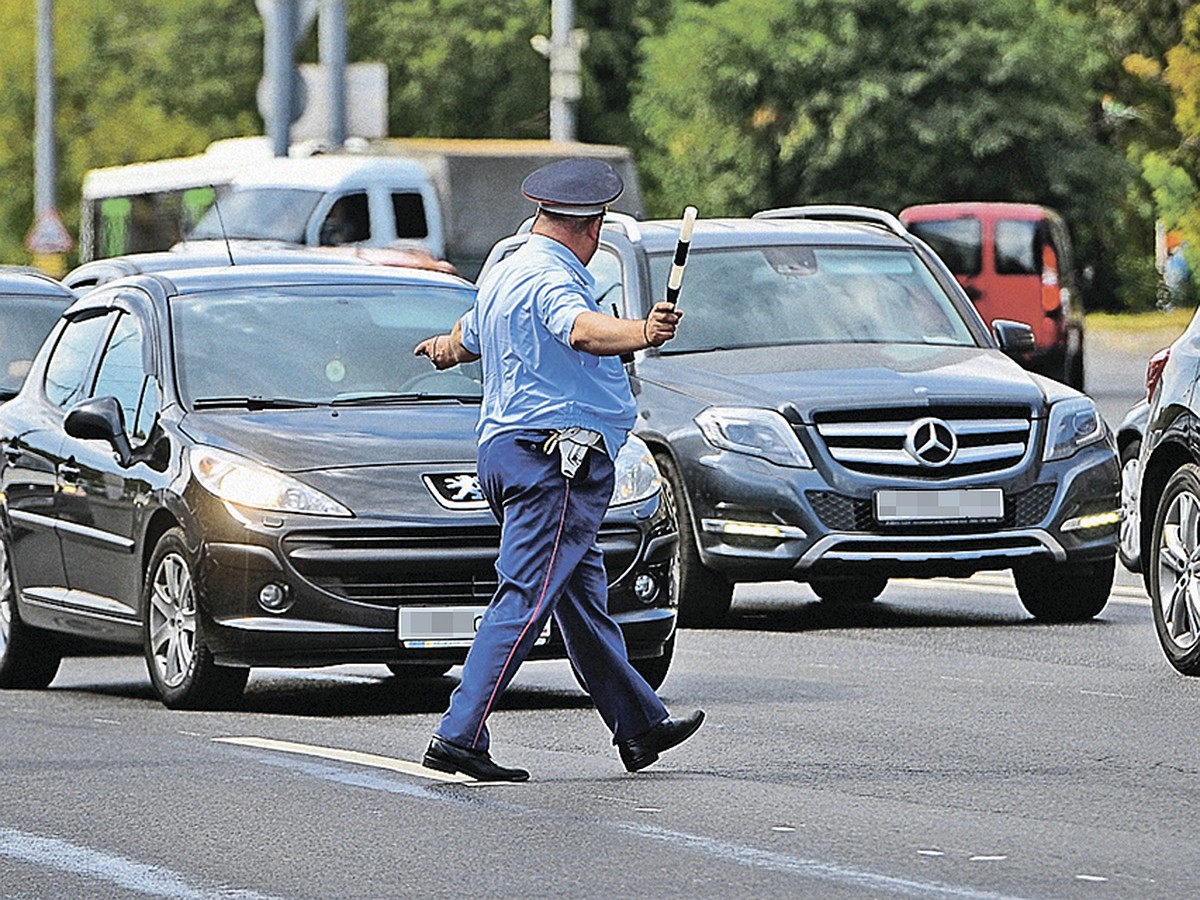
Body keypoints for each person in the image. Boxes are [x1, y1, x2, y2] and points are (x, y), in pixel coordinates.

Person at [412, 158, 702, 781]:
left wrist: (439, 351)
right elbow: (583, 332)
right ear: (590, 227)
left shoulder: (503, 268)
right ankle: (458, 733)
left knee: (581, 600)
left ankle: (639, 724)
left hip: (507, 453)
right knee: (523, 596)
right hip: (556, 463)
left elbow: (464, 341)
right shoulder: (553, 280)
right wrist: (643, 331)